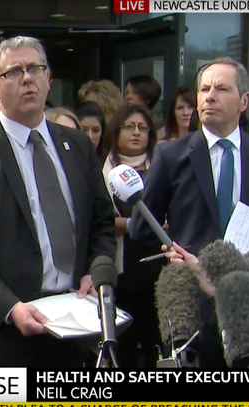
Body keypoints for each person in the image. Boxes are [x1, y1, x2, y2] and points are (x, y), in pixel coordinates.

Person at [0, 36, 116, 367]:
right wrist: (10, 307)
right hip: (4, 340)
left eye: (36, 69)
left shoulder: (78, 145)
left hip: (75, 330)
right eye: (14, 72)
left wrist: (97, 270)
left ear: (48, 80)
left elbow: (102, 223)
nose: (27, 78)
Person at [129, 57, 249, 367]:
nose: (209, 96)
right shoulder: (171, 155)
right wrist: (170, 247)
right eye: (204, 89)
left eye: (222, 89)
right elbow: (142, 229)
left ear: (244, 100)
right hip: (193, 307)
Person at [100, 105, 161, 367]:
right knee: (123, 349)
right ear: (116, 131)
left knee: (155, 345)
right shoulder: (102, 172)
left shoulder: (162, 168)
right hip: (121, 273)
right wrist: (139, 224)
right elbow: (101, 220)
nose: (136, 133)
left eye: (142, 127)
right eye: (129, 126)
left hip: (158, 271)